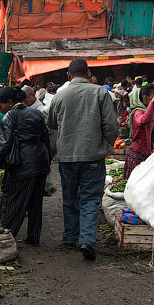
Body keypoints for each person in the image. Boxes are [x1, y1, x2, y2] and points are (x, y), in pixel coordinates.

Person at [48, 58, 120, 260]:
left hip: (67, 155)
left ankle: (70, 236)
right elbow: (111, 125)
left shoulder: (59, 95)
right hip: (92, 155)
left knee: (70, 197)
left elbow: (52, 123)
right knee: (89, 198)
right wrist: (106, 143)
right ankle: (87, 240)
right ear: (88, 73)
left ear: (68, 75)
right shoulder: (100, 92)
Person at [0, 87, 52, 246]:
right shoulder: (36, 113)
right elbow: (46, 139)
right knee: (35, 203)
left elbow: (2, 146)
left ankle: (7, 239)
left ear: (9, 102)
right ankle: (33, 238)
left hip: (22, 164)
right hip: (40, 161)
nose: (0, 110)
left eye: (1, 106)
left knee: (17, 202)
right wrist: (46, 160)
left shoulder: (10, 116)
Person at [123, 84, 154, 180]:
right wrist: (152, 103)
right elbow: (143, 120)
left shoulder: (146, 110)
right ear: (145, 97)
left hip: (144, 152)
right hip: (137, 153)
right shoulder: (138, 112)